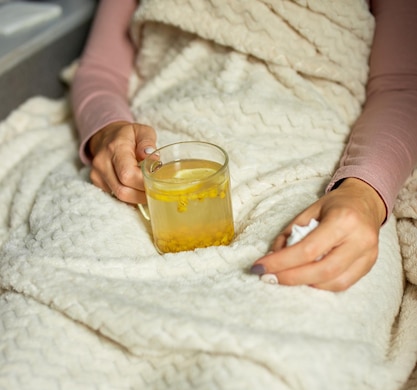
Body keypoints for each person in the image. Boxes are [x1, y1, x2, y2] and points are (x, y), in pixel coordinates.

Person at [71, 0, 417, 291]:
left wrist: (362, 195)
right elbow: (101, 71)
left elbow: (401, 89)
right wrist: (107, 132)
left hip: (321, 158)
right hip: (158, 150)